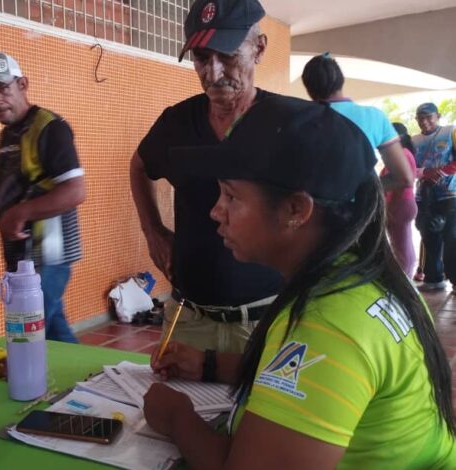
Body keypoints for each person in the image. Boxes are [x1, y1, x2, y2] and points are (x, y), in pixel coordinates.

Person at [143, 96, 456, 468]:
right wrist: (207, 364)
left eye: (231, 196)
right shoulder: (361, 278)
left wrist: (176, 417)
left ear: (296, 209)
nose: (215, 211)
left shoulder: (329, 324)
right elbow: (310, 377)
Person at [130, 0, 280, 353]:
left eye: (227, 54)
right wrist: (152, 231)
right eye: (201, 57)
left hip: (266, 321)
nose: (212, 73)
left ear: (258, 49)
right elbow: (139, 166)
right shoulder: (176, 123)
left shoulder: (284, 125)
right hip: (188, 318)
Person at [0, 52, 86, 343]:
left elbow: (75, 191)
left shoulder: (50, 128)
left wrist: (21, 212)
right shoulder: (1, 142)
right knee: (53, 330)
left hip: (51, 256)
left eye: (2, 89)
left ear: (22, 84)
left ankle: (27, 372)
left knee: (27, 329)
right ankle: (83, 369)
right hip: (19, 258)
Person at [301, 53, 415, 192]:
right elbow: (404, 178)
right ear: (341, 81)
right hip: (359, 205)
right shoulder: (374, 117)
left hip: (311, 204)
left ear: (309, 88)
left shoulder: (300, 118)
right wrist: (360, 190)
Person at [412, 102, 456, 291]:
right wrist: (424, 172)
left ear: (438, 116)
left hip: (450, 194)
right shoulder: (413, 140)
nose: (424, 121)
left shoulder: (450, 132)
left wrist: (441, 172)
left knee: (452, 236)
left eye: (429, 117)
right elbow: (408, 166)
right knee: (428, 235)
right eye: (420, 118)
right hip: (424, 196)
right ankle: (433, 279)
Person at [379, 122, 418, 277]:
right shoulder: (401, 154)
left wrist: (392, 206)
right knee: (400, 243)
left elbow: (402, 183)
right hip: (399, 203)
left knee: (402, 245)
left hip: (401, 203)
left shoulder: (403, 154)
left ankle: (406, 278)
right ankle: (404, 275)